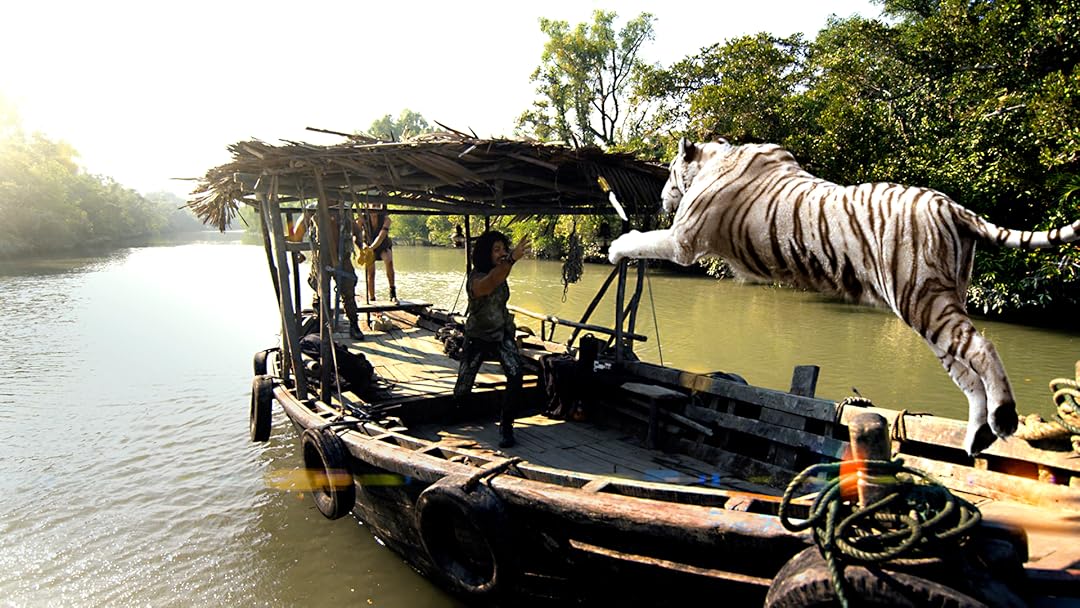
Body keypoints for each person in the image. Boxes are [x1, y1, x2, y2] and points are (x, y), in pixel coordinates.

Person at [453, 230, 530, 448]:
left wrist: (510, 260)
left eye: (504, 249)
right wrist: (512, 259)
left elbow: (500, 275)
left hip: (501, 334)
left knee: (516, 374)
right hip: (477, 336)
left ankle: (506, 425)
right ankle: (458, 414)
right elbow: (490, 283)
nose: (502, 253)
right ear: (485, 254)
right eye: (496, 250)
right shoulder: (476, 278)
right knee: (463, 385)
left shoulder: (501, 272)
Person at [288, 205, 364, 339]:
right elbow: (298, 232)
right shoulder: (313, 209)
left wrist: (361, 249)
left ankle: (353, 324)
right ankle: (322, 325)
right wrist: (298, 250)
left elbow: (357, 230)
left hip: (343, 257)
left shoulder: (343, 210)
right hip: (321, 258)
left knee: (348, 292)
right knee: (320, 293)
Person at [362, 205, 397, 303]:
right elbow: (357, 236)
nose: (374, 208)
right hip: (368, 246)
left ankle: (392, 292)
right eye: (372, 206)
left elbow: (381, 236)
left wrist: (372, 248)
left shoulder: (386, 219)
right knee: (371, 272)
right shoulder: (362, 219)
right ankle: (372, 297)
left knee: (388, 260)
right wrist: (364, 246)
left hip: (382, 246)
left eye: (377, 206)